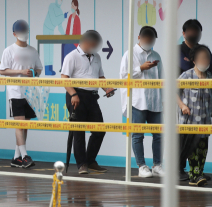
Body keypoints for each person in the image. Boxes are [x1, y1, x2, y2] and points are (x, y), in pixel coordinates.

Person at [61, 30, 115, 174]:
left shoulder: (96, 56)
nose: (95, 46)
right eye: (93, 43)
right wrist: (73, 94)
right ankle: (82, 164)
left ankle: (90, 160)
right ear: (84, 41)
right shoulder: (71, 56)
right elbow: (64, 78)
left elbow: (100, 76)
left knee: (99, 130)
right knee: (79, 131)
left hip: (92, 96)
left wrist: (107, 89)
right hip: (76, 95)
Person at [120, 26, 164, 178]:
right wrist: (140, 68)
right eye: (146, 38)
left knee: (159, 134)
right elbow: (124, 77)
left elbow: (161, 78)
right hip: (138, 101)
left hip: (155, 100)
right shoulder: (129, 55)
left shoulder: (156, 54)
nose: (149, 41)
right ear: (139, 37)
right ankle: (142, 166)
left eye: (152, 39)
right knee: (137, 135)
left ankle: (157, 165)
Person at [0, 20, 43, 169]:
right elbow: (2, 71)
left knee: (26, 125)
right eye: (20, 31)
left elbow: (39, 69)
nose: (24, 33)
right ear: (14, 33)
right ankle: (25, 156)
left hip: (30, 92)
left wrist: (34, 73)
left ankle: (16, 157)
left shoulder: (33, 51)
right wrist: (20, 72)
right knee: (19, 124)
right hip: (15, 91)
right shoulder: (9, 50)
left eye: (25, 30)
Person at [178, 19, 212, 180]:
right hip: (188, 112)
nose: (194, 34)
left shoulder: (209, 75)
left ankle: (197, 173)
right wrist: (181, 105)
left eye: (197, 31)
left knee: (202, 148)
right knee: (187, 146)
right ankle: (189, 173)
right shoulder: (180, 54)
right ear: (184, 33)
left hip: (205, 118)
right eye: (191, 31)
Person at [43, 0, 66, 75]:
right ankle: (47, 69)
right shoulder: (51, 6)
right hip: (46, 28)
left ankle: (50, 69)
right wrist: (62, 17)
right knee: (47, 49)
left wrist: (64, 34)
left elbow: (59, 26)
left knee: (51, 49)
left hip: (51, 30)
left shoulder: (60, 10)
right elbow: (53, 19)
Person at [61, 0, 81, 69]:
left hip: (74, 42)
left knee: (67, 46)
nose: (72, 7)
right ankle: (63, 66)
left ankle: (68, 67)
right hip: (68, 39)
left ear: (76, 7)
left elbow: (78, 34)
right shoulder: (70, 17)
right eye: (71, 5)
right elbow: (67, 30)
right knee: (63, 44)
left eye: (73, 5)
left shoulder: (77, 19)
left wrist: (71, 39)